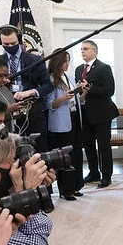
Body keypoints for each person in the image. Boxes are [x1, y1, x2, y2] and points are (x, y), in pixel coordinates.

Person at [0, 25, 53, 152]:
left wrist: (29, 92)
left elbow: (48, 86)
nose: (10, 46)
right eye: (6, 44)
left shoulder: (35, 59)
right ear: (0, 42)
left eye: (13, 43)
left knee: (39, 150)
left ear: (20, 40)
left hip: (33, 112)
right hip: (8, 113)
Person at [75, 40, 118, 188]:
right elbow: (78, 90)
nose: (82, 52)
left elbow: (109, 90)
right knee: (88, 145)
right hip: (85, 113)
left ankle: (106, 176)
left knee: (103, 146)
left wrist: (89, 89)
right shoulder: (79, 69)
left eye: (86, 49)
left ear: (95, 51)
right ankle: (94, 172)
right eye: (81, 49)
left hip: (102, 114)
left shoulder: (103, 68)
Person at [46, 50, 86, 200]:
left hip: (74, 118)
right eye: (64, 61)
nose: (67, 64)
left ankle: (76, 186)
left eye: (68, 60)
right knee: (65, 157)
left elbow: (79, 101)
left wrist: (83, 93)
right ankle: (65, 190)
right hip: (61, 123)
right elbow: (49, 104)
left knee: (76, 155)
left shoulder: (70, 77)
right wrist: (63, 97)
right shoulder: (50, 80)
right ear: (57, 62)